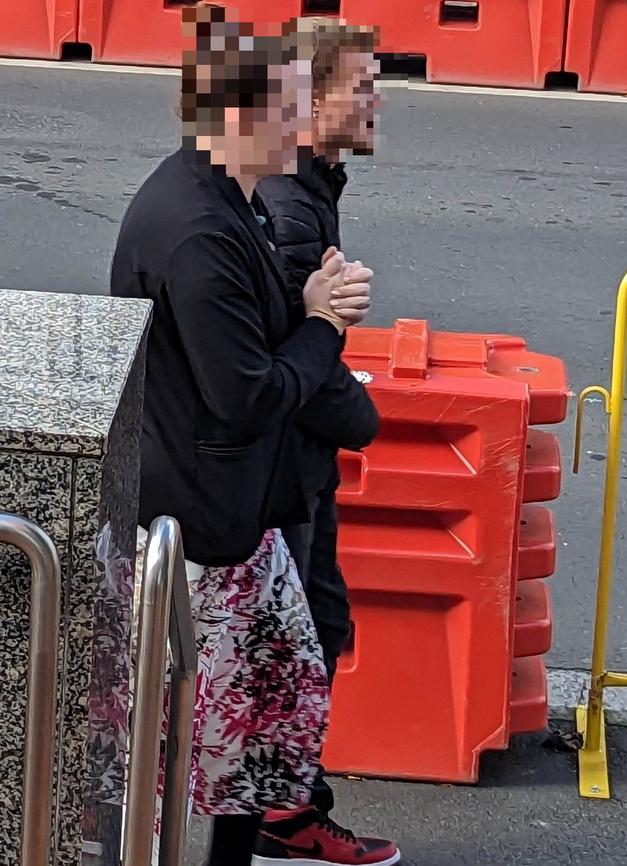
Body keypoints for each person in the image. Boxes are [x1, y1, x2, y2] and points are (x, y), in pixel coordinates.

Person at [110, 5, 374, 866]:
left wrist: (303, 315)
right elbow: (246, 395)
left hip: (231, 521)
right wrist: (324, 326)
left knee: (265, 714)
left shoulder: (235, 199)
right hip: (202, 533)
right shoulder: (199, 228)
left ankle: (259, 832)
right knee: (201, 753)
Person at [253, 17, 401, 866]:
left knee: (314, 623)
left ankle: (285, 805)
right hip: (279, 470)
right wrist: (359, 417)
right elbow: (289, 350)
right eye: (364, 87)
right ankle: (284, 813)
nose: (378, 102)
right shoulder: (290, 200)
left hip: (296, 463)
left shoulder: (311, 187)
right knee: (303, 628)